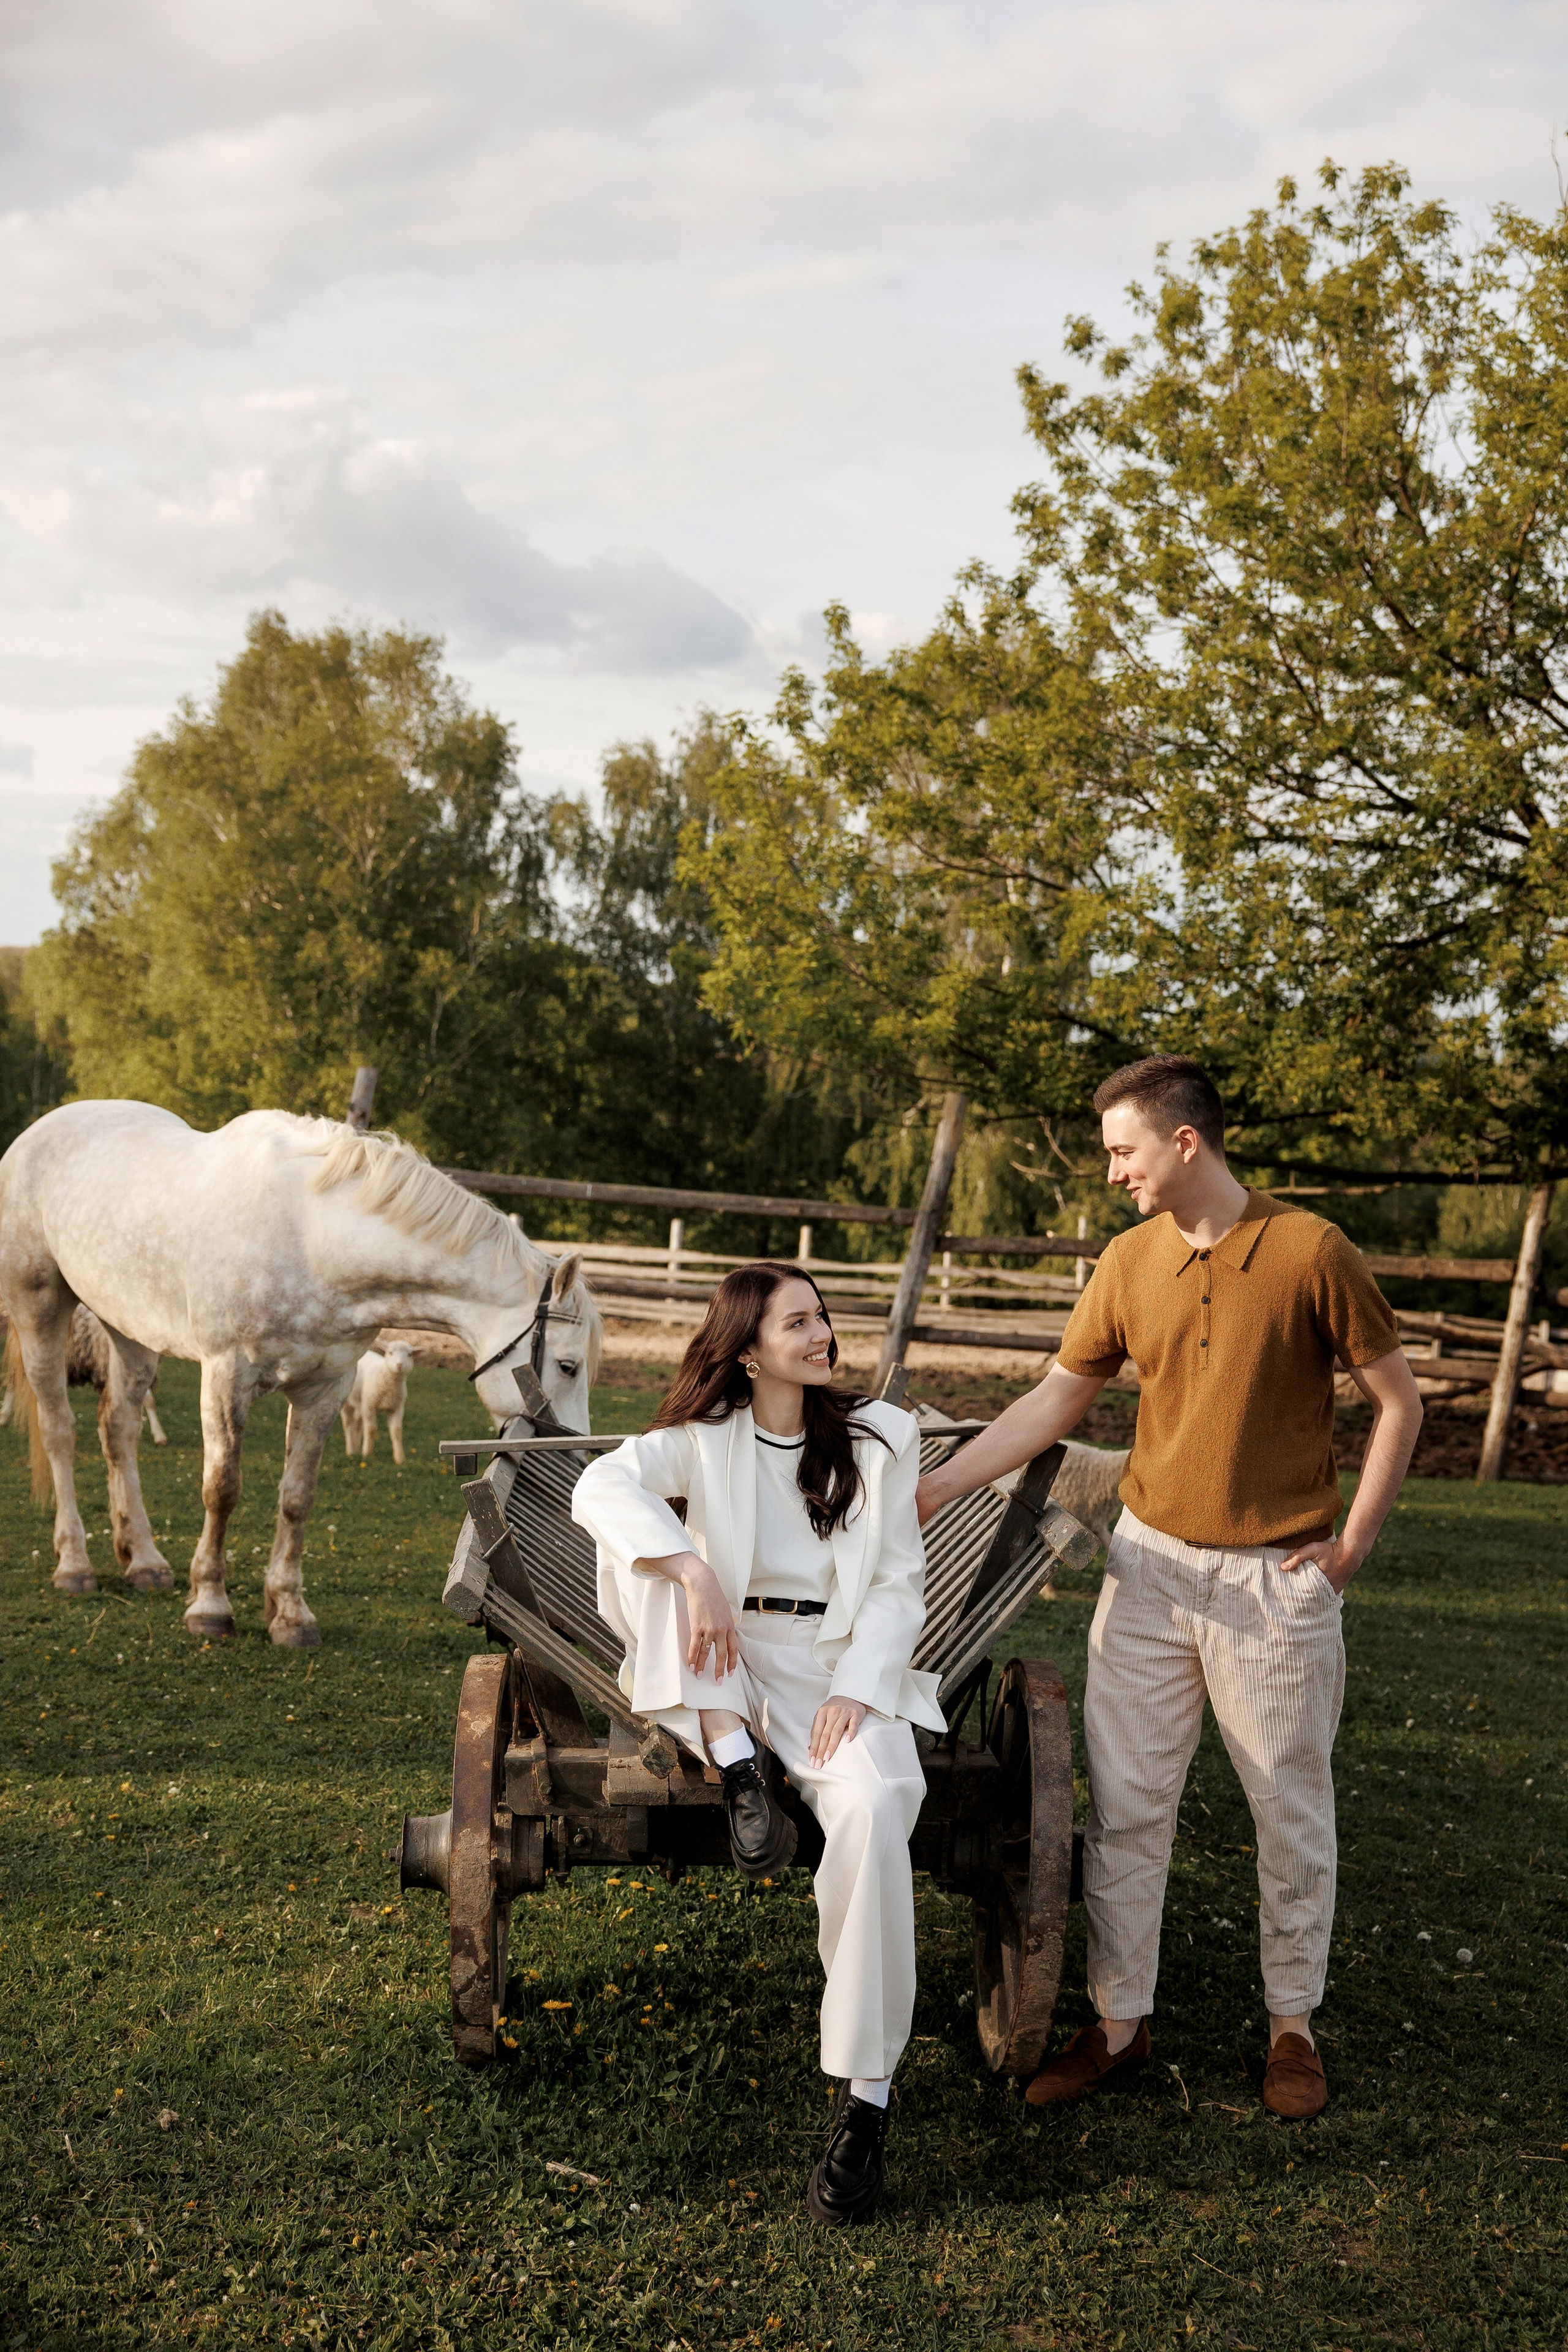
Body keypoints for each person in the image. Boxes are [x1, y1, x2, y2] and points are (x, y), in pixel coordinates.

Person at [915, 1057, 1423, 2120]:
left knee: (1288, 1810)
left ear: (1185, 1142)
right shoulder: (1128, 1260)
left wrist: (1352, 1550)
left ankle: (1292, 2026)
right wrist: (943, 1483)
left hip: (1272, 1582)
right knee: (1129, 1808)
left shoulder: (1309, 1251)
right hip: (1144, 1570)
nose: (1113, 1172)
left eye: (1123, 1150)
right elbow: (1061, 1395)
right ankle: (1118, 2025)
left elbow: (1397, 1403)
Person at [571, 1262, 943, 2222]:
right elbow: (601, 1483)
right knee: (652, 1564)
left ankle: (866, 2100)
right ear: (746, 1350)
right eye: (798, 1323)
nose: (822, 1335)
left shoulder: (881, 1438)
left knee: (871, 1809)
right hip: (726, 1655)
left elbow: (899, 1585)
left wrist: (861, 1690)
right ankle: (741, 1771)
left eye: (822, 1317)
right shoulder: (702, 1442)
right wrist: (694, 1568)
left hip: (836, 1663)